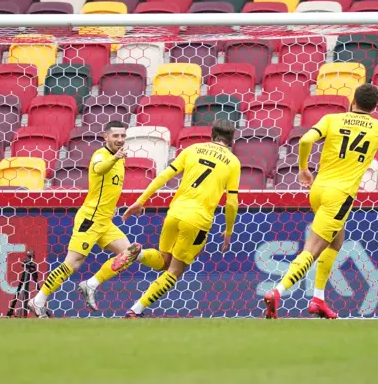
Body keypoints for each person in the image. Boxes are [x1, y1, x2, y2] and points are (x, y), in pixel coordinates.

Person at [264, 84, 378, 319]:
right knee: (312, 249)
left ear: (353, 101)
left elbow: (305, 141)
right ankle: (277, 291)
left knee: (336, 242)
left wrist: (303, 170)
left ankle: (318, 298)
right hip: (339, 196)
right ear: (374, 107)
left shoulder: (332, 118)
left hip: (318, 189)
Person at [28, 121, 166, 317]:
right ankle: (38, 300)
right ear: (105, 137)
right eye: (115, 136)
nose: (119, 139)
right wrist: (114, 158)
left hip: (105, 222)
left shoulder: (121, 158)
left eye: (122, 136)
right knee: (73, 263)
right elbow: (99, 168)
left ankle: (91, 284)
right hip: (90, 219)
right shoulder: (101, 155)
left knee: (129, 254)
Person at [121, 119, 241, 318]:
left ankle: (139, 255)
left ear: (212, 134)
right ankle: (135, 310)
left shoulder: (192, 149)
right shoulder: (233, 162)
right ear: (231, 140)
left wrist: (141, 200)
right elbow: (231, 203)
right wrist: (229, 230)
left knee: (163, 261)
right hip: (197, 220)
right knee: (175, 270)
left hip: (174, 213)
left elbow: (163, 176)